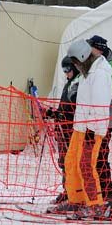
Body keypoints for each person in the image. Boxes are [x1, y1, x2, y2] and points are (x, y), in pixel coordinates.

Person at [48, 36, 112, 219]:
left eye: (76, 63)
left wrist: (92, 131)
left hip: (92, 129)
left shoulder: (99, 74)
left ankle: (95, 204)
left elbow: (99, 105)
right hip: (81, 127)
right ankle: (76, 199)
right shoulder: (88, 73)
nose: (75, 66)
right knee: (71, 162)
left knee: (86, 166)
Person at [86, 35, 112, 215]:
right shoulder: (95, 65)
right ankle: (95, 195)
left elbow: (111, 92)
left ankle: (107, 196)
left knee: (100, 158)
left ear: (98, 48)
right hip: (92, 120)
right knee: (90, 159)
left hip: (105, 121)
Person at [44, 53, 81, 204]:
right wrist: (55, 113)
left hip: (71, 128)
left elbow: (74, 107)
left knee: (70, 161)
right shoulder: (70, 82)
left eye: (68, 69)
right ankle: (67, 190)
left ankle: (73, 193)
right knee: (64, 160)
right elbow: (65, 106)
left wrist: (62, 115)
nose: (66, 73)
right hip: (63, 127)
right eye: (64, 70)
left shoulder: (78, 83)